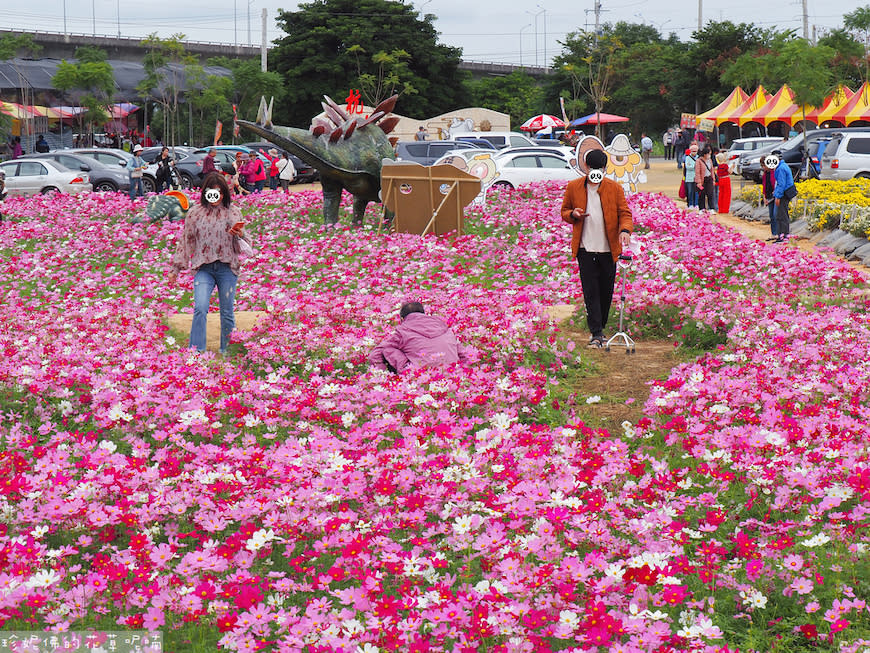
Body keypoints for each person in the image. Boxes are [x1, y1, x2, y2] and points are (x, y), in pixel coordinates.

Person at [168, 172, 250, 354]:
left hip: (227, 267)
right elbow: (186, 240)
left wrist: (240, 234)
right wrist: (176, 268)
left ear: (224, 194)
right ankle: (196, 351)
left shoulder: (233, 211)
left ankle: (228, 349)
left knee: (227, 311)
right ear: (205, 193)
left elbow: (246, 240)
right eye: (212, 193)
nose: (216, 197)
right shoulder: (195, 213)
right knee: (200, 308)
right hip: (203, 268)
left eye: (219, 193)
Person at [560, 149, 634, 349]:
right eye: (592, 168)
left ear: (604, 169)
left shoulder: (614, 188)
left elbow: (625, 213)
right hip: (585, 248)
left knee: (606, 291)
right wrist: (573, 214)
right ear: (586, 168)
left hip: (608, 249)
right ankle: (596, 333)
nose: (595, 172)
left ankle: (599, 327)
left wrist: (625, 230)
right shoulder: (574, 187)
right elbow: (564, 211)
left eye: (599, 168)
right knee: (590, 291)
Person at [368, 301, 467, 373]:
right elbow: (463, 353)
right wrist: (465, 370)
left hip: (418, 374)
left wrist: (382, 373)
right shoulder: (443, 327)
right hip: (452, 371)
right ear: (423, 314)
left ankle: (404, 373)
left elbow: (375, 354)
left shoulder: (403, 331)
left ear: (402, 319)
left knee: (387, 348)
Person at [772, 154, 796, 243]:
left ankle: (783, 235)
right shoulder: (783, 166)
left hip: (784, 194)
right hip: (786, 193)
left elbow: (781, 184)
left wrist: (777, 196)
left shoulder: (780, 168)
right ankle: (784, 235)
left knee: (781, 214)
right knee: (782, 214)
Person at [760, 157, 777, 240]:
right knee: (771, 215)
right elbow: (764, 186)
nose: (763, 167)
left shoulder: (774, 172)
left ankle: (778, 233)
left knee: (775, 214)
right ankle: (774, 233)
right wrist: (764, 196)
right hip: (769, 196)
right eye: (762, 166)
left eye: (764, 165)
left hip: (775, 196)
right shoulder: (765, 174)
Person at [694, 146, 715, 211]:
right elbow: (697, 172)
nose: (709, 155)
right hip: (702, 179)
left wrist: (713, 179)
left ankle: (711, 208)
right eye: (708, 154)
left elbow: (712, 170)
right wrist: (699, 182)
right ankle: (702, 208)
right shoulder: (699, 161)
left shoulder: (710, 160)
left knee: (710, 193)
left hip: (709, 178)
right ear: (705, 154)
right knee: (702, 194)